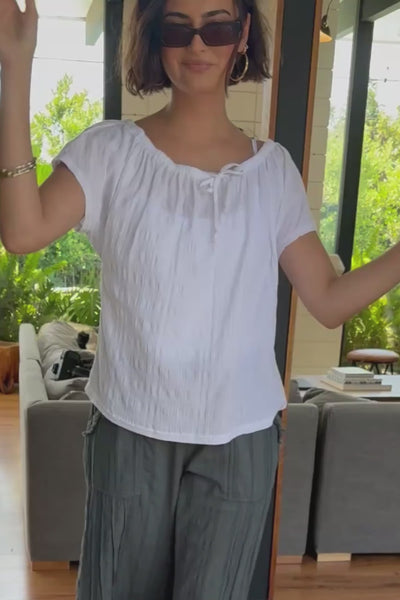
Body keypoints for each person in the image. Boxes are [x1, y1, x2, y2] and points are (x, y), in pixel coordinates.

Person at [1, 0, 400, 598]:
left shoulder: (273, 173)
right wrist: (15, 66)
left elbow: (327, 299)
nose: (197, 45)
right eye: (176, 28)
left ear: (242, 36)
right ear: (153, 37)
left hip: (241, 439)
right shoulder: (110, 152)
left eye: (217, 26)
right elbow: (22, 231)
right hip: (131, 428)